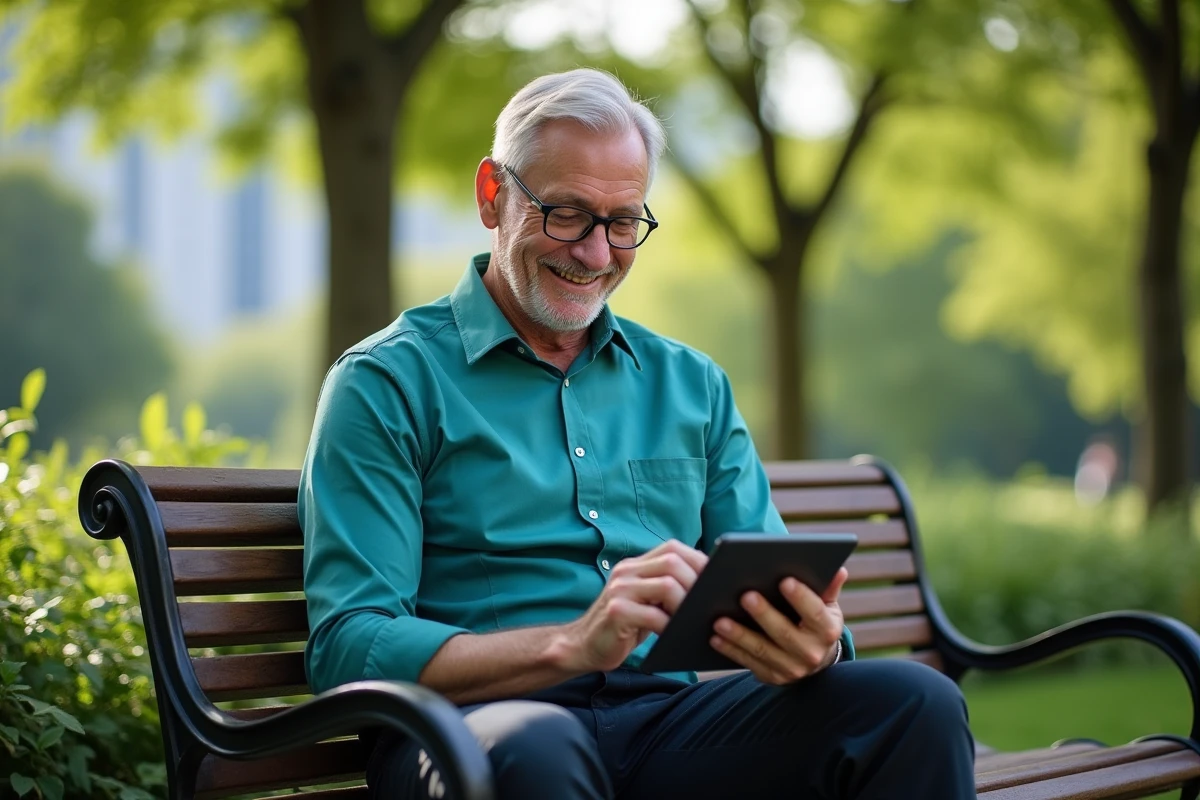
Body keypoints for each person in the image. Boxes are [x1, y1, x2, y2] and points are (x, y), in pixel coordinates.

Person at [300, 68, 976, 799]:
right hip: (470, 734)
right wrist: (572, 645)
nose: (595, 255)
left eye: (622, 223)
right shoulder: (386, 384)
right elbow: (349, 644)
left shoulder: (692, 387)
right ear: (493, 196)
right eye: (566, 214)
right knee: (540, 744)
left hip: (666, 727)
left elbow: (773, 587)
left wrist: (816, 641)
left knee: (917, 704)